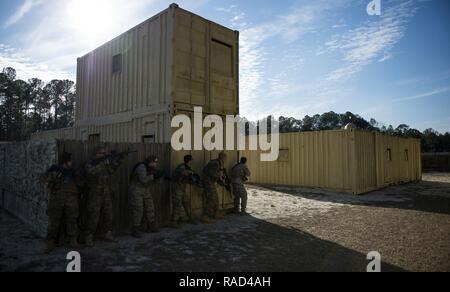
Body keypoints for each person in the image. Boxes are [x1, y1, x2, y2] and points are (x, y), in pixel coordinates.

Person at [41, 152, 81, 253]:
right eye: (70, 160)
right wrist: (55, 175)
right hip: (57, 198)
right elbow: (43, 179)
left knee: (72, 219)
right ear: (65, 161)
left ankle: (73, 240)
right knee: (54, 221)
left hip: (71, 198)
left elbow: (80, 182)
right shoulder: (55, 169)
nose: (72, 162)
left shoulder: (73, 170)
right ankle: (50, 242)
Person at [84, 147, 122, 247]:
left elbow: (111, 171)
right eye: (101, 153)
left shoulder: (105, 163)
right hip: (95, 194)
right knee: (93, 216)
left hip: (106, 193)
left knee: (109, 215)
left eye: (105, 153)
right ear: (96, 154)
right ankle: (89, 236)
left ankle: (107, 234)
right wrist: (103, 163)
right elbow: (91, 172)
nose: (104, 154)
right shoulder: (90, 163)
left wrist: (117, 162)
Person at [129, 155, 160, 238]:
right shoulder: (141, 167)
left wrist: (159, 176)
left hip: (145, 189)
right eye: (154, 162)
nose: (156, 164)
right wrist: (153, 176)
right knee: (138, 209)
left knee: (150, 207)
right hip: (136, 189)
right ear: (150, 162)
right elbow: (143, 179)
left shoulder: (149, 168)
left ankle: (151, 226)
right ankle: (135, 229)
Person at [171, 155, 199, 228]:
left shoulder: (189, 168)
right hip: (177, 188)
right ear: (189, 161)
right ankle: (174, 221)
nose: (192, 161)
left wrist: (194, 178)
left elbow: (189, 178)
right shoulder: (182, 166)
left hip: (183, 188)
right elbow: (183, 173)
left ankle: (190, 218)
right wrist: (191, 173)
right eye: (191, 160)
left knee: (186, 202)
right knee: (177, 204)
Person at [202, 152, 228, 221]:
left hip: (211, 182)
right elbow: (212, 173)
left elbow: (215, 175)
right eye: (225, 158)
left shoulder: (218, 163)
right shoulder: (215, 163)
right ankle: (205, 215)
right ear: (222, 157)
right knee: (211, 198)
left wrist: (222, 182)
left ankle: (216, 213)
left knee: (216, 198)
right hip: (208, 182)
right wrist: (220, 175)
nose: (225, 160)